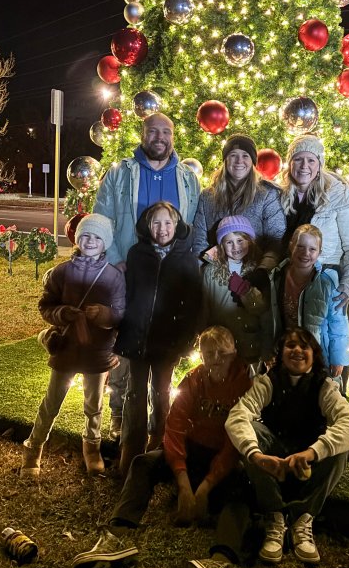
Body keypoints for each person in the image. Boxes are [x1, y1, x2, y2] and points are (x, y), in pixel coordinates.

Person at [72, 326, 252, 568]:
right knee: (143, 463)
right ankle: (116, 536)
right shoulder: (195, 379)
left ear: (233, 353)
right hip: (192, 453)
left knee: (244, 489)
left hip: (221, 460)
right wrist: (182, 480)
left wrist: (205, 486)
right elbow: (175, 427)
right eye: (208, 354)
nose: (215, 359)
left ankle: (221, 562)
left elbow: (235, 444)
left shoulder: (245, 386)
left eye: (222, 353)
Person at [93, 112, 201, 434]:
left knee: (160, 351)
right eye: (152, 131)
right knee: (124, 345)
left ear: (172, 137)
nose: (159, 137)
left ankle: (160, 429)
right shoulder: (120, 174)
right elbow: (103, 216)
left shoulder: (187, 179)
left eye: (165, 132)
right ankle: (119, 413)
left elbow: (190, 227)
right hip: (129, 273)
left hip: (168, 280)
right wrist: (115, 260)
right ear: (142, 134)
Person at [225, 327, 349, 566]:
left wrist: (312, 452)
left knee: (342, 450)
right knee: (250, 434)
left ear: (313, 354)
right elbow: (238, 415)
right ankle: (275, 516)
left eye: (304, 346)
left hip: (307, 464)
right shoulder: (268, 381)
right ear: (281, 352)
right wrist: (256, 456)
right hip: (275, 462)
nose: (297, 350)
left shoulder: (324, 386)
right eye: (290, 345)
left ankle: (302, 518)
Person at [21, 214, 125, 479]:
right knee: (52, 401)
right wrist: (62, 313)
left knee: (94, 404)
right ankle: (34, 448)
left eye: (97, 237)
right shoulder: (62, 272)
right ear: (77, 239)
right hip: (67, 348)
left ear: (106, 243)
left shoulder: (114, 276)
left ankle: (92, 447)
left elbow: (120, 314)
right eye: (85, 236)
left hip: (97, 352)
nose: (90, 241)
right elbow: (46, 306)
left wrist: (103, 314)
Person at [115, 201, 202, 475]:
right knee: (134, 393)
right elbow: (127, 294)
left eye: (168, 223)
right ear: (147, 226)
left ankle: (158, 447)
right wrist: (122, 328)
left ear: (176, 225)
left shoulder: (185, 258)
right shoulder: (137, 254)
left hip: (167, 342)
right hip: (137, 337)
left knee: (162, 393)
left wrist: (186, 339)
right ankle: (130, 452)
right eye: (156, 223)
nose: (162, 228)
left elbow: (192, 304)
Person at [280, 134, 349, 309]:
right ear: (290, 164)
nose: (304, 166)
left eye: (311, 160)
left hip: (325, 281)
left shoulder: (339, 195)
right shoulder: (279, 194)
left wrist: (348, 285)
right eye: (298, 159)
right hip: (287, 281)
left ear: (319, 165)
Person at [266, 225, 349, 383]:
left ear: (319, 251)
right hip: (287, 352)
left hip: (318, 354)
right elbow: (270, 318)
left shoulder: (327, 282)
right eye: (300, 246)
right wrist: (269, 351)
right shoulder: (277, 277)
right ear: (291, 245)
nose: (306, 253)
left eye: (312, 249)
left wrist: (338, 358)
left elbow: (338, 323)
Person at [192, 133, 286, 267]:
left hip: (255, 272)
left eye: (245, 156)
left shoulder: (267, 194)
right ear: (225, 160)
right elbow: (199, 240)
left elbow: (276, 238)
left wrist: (263, 270)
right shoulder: (207, 196)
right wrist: (205, 272)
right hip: (217, 274)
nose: (239, 161)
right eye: (233, 155)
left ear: (252, 161)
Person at [202, 215, 269, 365]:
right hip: (220, 343)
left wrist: (246, 292)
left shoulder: (257, 270)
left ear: (249, 241)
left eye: (240, 241)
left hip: (249, 340)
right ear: (221, 245)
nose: (235, 247)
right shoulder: (210, 271)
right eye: (229, 242)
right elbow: (204, 306)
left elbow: (261, 308)